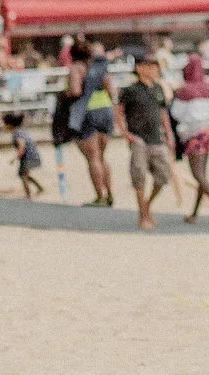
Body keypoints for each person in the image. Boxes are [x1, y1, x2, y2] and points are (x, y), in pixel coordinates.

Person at [114, 53, 176, 231]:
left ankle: (146, 205)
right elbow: (118, 111)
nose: (154, 70)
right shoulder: (131, 90)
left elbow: (163, 112)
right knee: (139, 175)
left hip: (156, 137)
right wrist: (125, 132)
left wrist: (168, 132)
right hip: (138, 137)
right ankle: (142, 214)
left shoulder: (157, 88)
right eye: (150, 66)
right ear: (140, 68)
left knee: (164, 175)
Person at [171, 54, 209, 224]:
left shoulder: (184, 91)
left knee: (198, 175)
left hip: (194, 134)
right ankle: (194, 214)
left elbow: (175, 113)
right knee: (201, 174)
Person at [66, 37, 117, 206]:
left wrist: (65, 95)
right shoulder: (99, 67)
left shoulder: (77, 68)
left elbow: (75, 91)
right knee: (102, 156)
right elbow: (111, 88)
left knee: (93, 158)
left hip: (87, 112)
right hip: (105, 109)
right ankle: (110, 193)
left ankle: (100, 196)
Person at [4, 110, 44, 198]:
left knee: (23, 175)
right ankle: (40, 188)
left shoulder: (16, 133)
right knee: (23, 173)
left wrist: (15, 158)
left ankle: (28, 195)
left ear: (9, 125)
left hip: (28, 157)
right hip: (32, 155)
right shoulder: (20, 131)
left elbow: (22, 147)